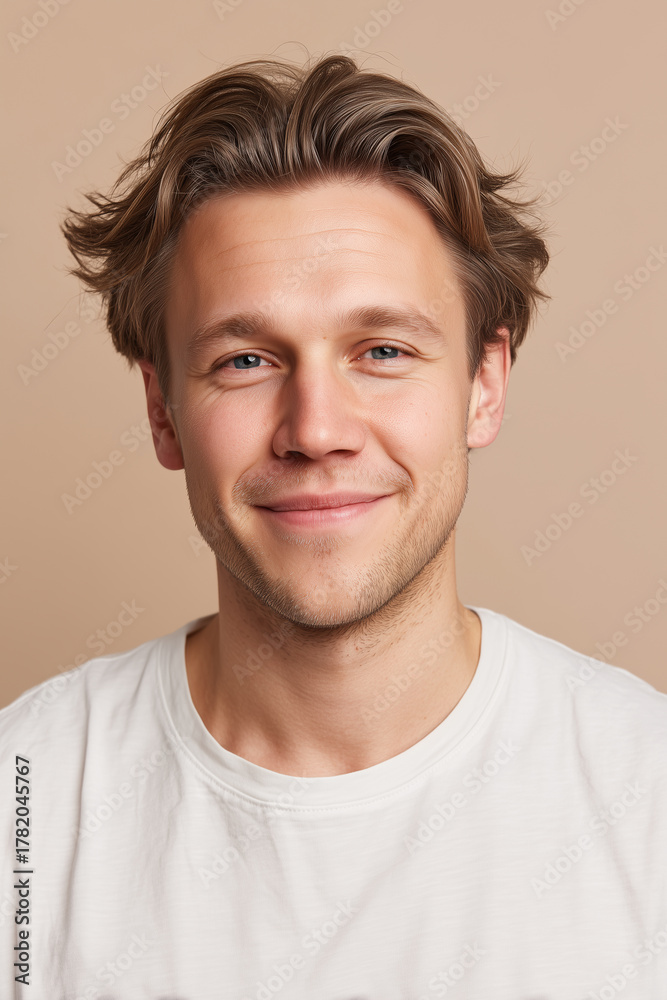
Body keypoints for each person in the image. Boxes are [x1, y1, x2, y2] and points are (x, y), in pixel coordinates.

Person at [1, 52, 665, 1000]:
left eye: (382, 350)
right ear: (161, 411)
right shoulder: (22, 802)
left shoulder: (648, 798)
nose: (315, 429)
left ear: (484, 383)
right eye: (243, 360)